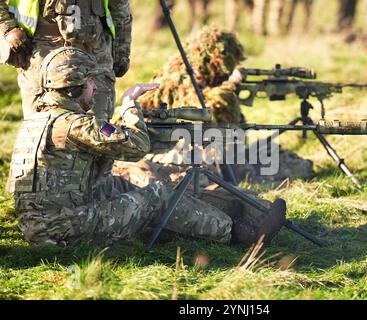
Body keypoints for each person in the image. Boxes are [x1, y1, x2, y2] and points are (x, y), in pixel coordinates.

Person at [7, 47, 287, 247]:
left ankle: (216, 214)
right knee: (155, 196)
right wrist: (129, 106)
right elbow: (136, 147)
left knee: (123, 187)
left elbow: (98, 152)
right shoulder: (75, 124)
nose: (94, 87)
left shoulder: (38, 120)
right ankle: (237, 233)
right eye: (89, 81)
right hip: (61, 231)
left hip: (41, 223)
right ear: (74, 87)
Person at [131, 26, 314, 185]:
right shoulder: (180, 78)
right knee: (250, 166)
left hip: (195, 150)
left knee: (279, 159)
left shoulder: (201, 76)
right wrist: (230, 86)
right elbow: (204, 110)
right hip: (167, 154)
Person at [0, 0, 132, 122]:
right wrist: (7, 29)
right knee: (42, 128)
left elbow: (119, 4)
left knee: (98, 130)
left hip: (95, 53)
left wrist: (122, 48)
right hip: (40, 56)